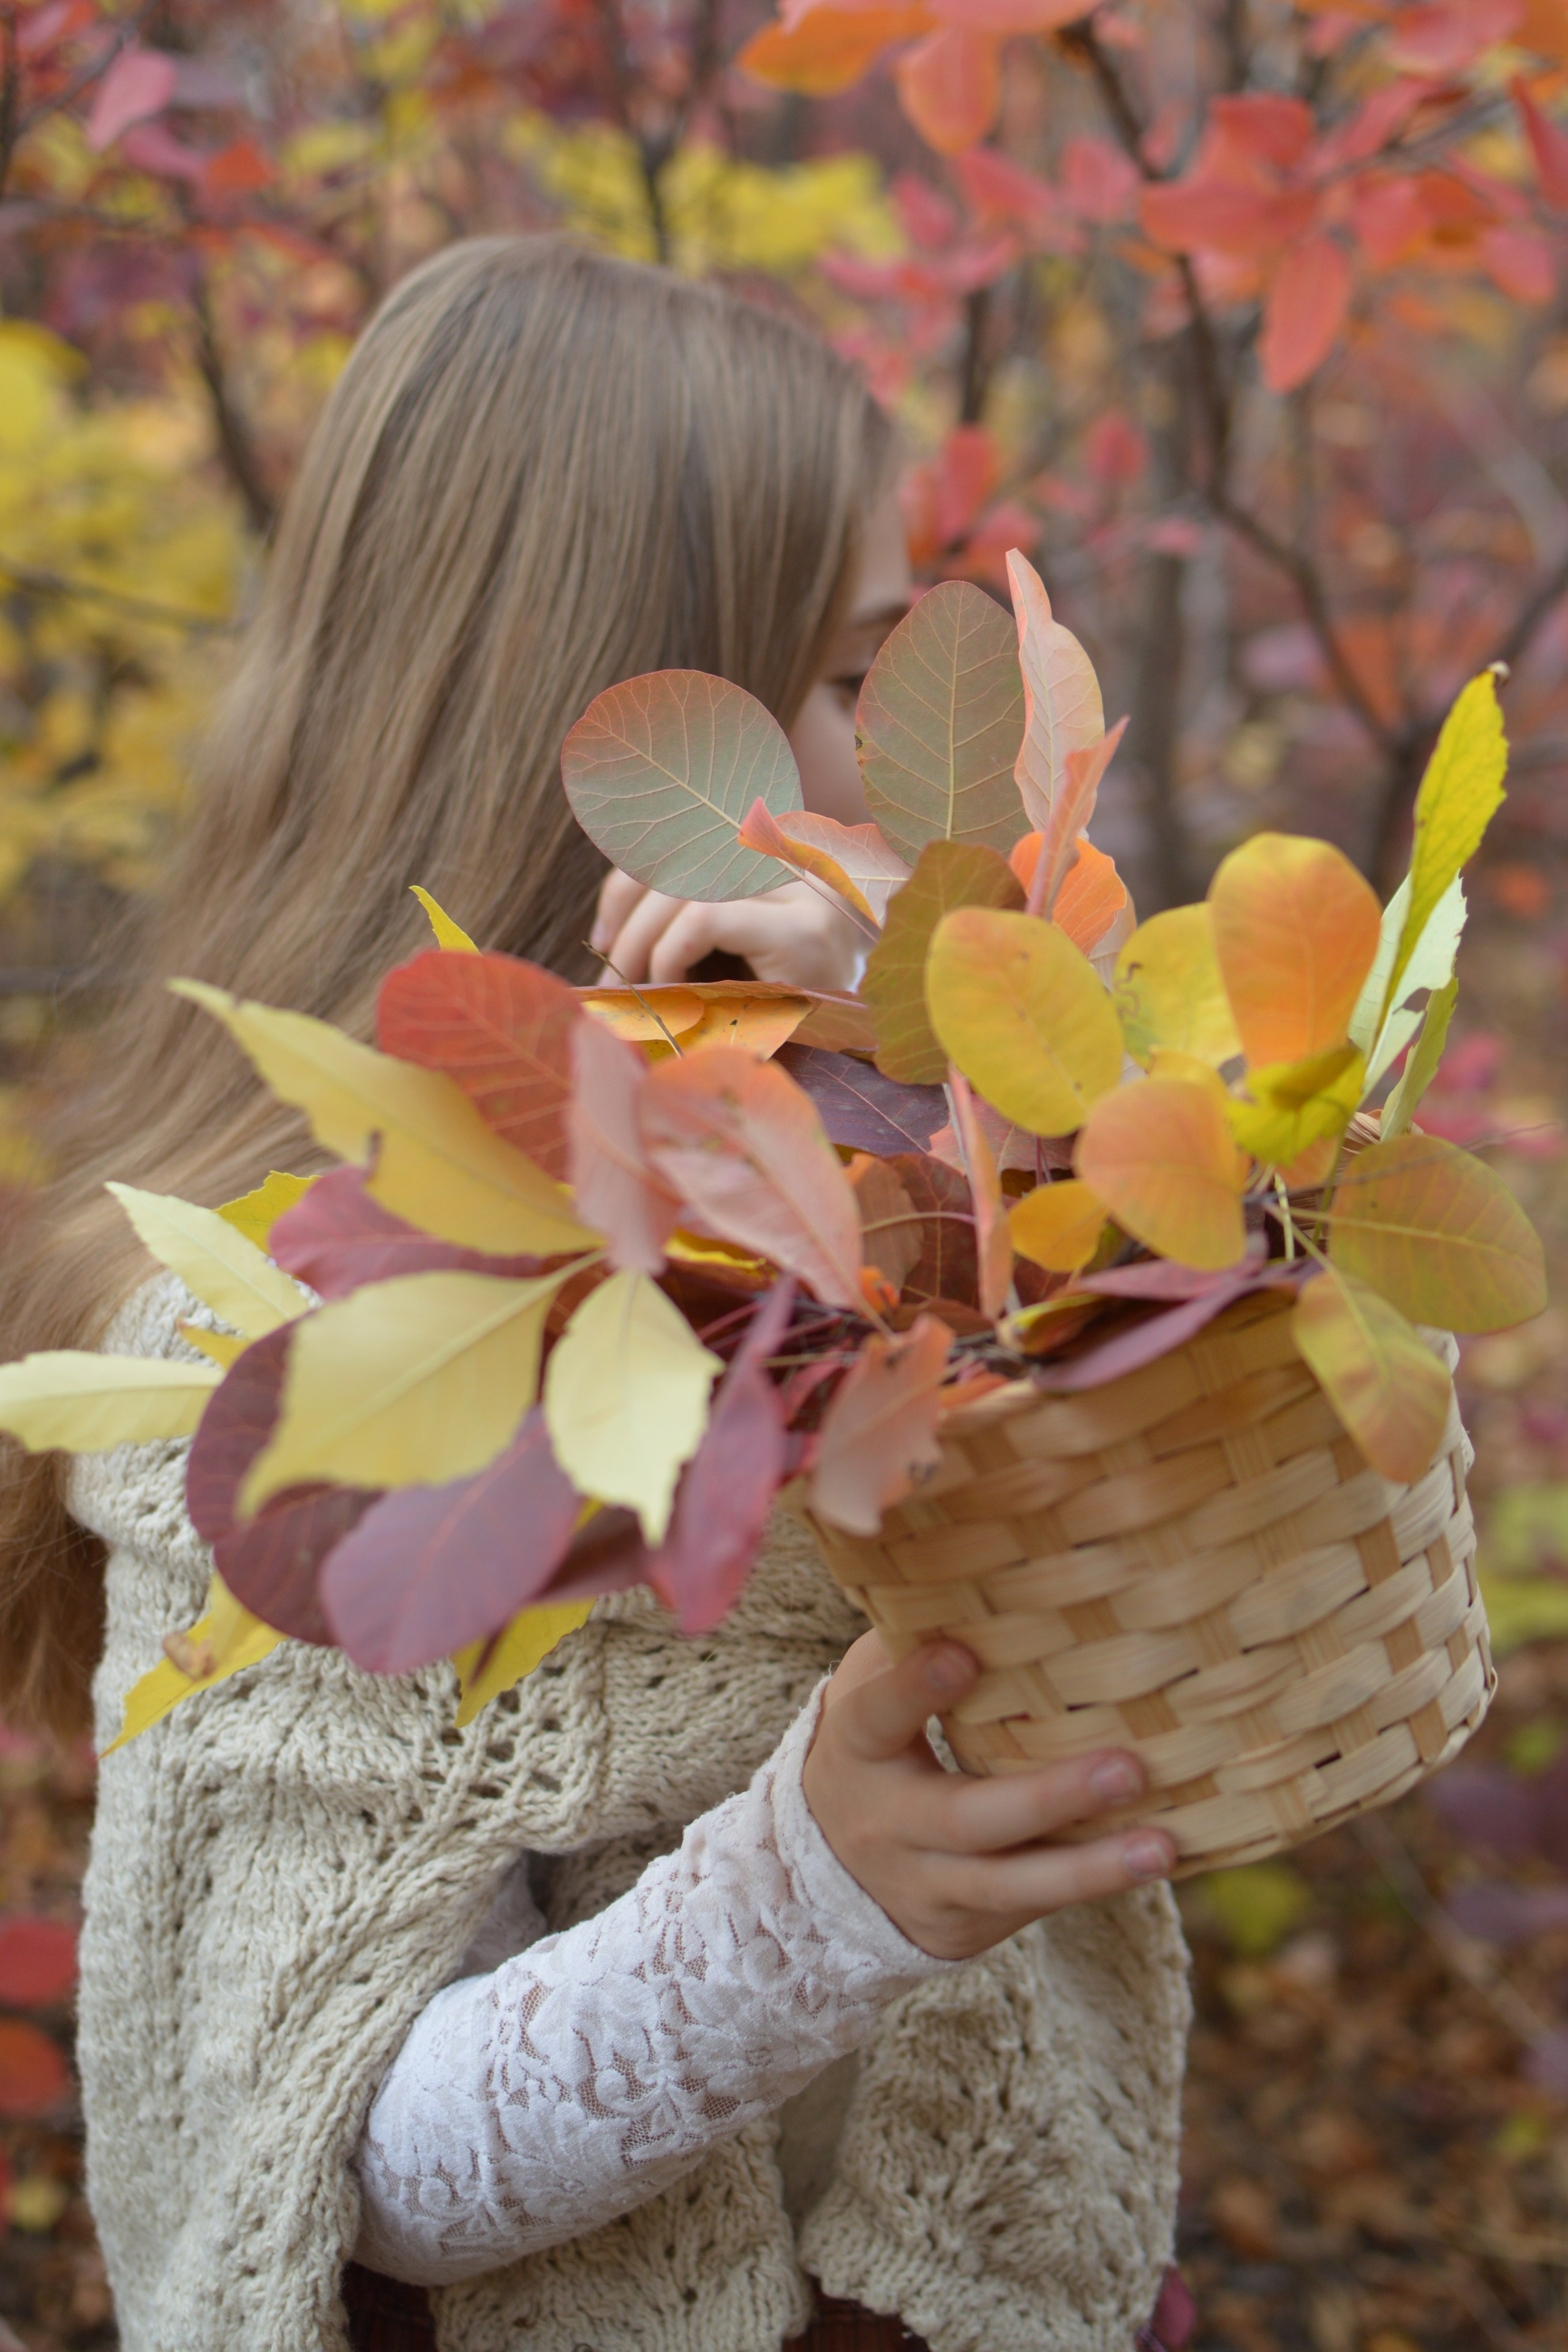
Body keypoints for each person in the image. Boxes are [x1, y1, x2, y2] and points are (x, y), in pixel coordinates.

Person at [0, 236, 1190, 2352]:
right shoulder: (296, 1345)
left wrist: (949, 1067)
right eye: (840, 678)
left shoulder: (885, 1203)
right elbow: (338, 2146)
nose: (887, 759)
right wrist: (811, 1901)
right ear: (619, 744)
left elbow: (1236, 1427)